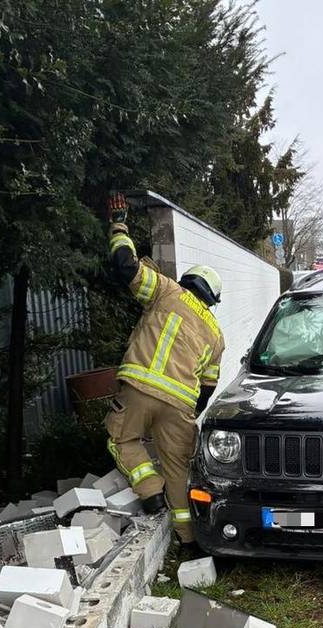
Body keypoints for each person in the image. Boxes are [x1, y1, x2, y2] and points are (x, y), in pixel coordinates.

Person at [104, 193, 224, 550]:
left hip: (139, 388)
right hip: (180, 405)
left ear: (189, 282)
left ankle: (150, 493)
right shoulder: (217, 335)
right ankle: (188, 542)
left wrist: (119, 225)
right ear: (212, 300)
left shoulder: (167, 291)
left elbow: (125, 265)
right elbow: (206, 388)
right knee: (179, 470)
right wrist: (184, 417)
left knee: (122, 440)